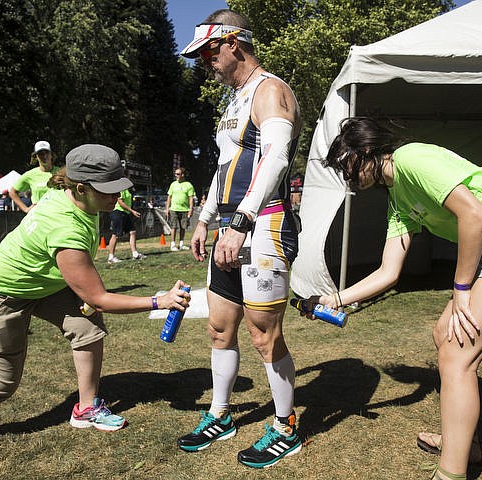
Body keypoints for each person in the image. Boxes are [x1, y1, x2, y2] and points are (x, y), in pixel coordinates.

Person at [0, 144, 191, 467]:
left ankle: (86, 408)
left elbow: (89, 299)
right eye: (108, 191)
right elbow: (99, 297)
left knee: (87, 325)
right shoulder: (66, 227)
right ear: (81, 188)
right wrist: (159, 300)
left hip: (37, 286)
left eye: (118, 188)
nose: (116, 197)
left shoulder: (69, 196)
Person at [312, 117, 482, 480]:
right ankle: (466, 446)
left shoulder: (412, 158)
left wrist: (461, 290)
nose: (345, 176)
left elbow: (473, 214)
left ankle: (450, 473)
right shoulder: (397, 200)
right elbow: (388, 271)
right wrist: (336, 298)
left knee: (457, 354)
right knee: (445, 333)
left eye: (345, 165)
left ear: (364, 151)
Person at [179, 9, 303, 469]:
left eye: (210, 51)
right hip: (231, 225)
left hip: (263, 223)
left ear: (234, 42)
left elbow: (274, 158)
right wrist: (204, 220)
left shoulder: (271, 89)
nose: (205, 62)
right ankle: (220, 414)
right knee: (218, 326)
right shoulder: (234, 100)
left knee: (263, 334)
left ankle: (286, 425)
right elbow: (224, 168)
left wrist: (243, 220)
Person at [9, 140, 54, 213]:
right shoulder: (30, 175)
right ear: (36, 156)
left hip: (57, 216)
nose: (44, 156)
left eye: (47, 153)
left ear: (51, 154)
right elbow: (12, 192)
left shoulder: (60, 173)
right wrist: (26, 209)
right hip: (39, 217)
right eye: (41, 154)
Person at [106, 186, 146, 264]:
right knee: (116, 235)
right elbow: (120, 202)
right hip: (118, 212)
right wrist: (132, 211)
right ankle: (111, 257)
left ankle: (135, 254)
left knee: (132, 231)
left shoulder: (127, 189)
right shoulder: (120, 188)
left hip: (125, 213)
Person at [165, 167, 195, 251]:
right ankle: (173, 245)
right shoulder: (173, 184)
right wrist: (167, 209)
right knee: (173, 226)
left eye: (178, 174)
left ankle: (181, 244)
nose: (176, 176)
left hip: (184, 209)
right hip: (174, 209)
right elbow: (169, 197)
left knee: (183, 227)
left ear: (183, 175)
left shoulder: (188, 185)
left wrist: (190, 209)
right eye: (175, 174)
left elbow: (191, 198)